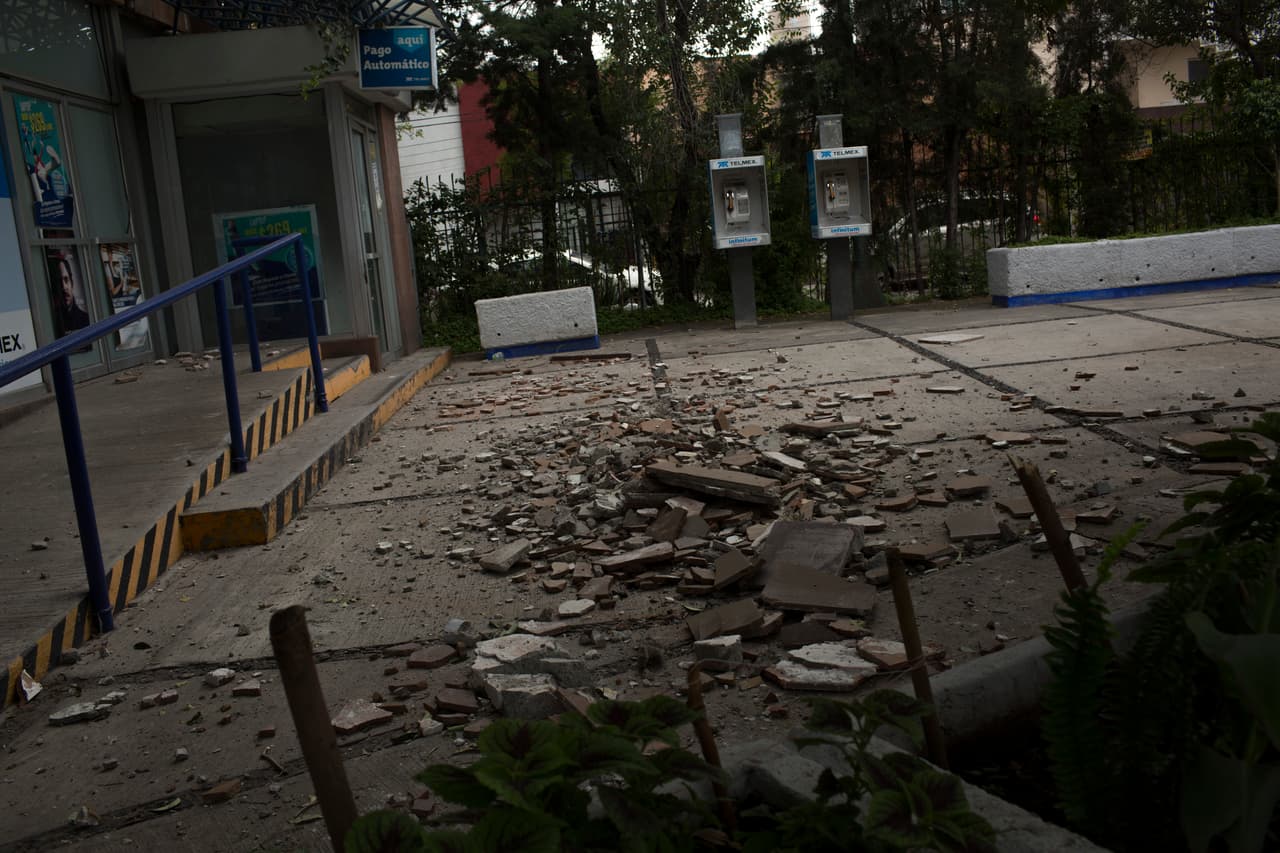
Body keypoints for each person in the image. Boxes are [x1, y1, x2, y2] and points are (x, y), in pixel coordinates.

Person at [52, 254, 90, 335]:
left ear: (72, 282)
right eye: (59, 281)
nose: (64, 287)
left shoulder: (86, 319)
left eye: (66, 280)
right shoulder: (52, 323)